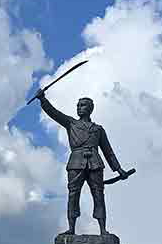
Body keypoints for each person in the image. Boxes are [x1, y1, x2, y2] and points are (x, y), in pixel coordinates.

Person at [35, 90, 130, 235]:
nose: (79, 108)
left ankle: (103, 230)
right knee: (73, 195)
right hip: (76, 163)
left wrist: (118, 169)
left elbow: (108, 151)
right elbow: (54, 113)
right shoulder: (71, 123)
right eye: (78, 105)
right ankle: (71, 229)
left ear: (90, 108)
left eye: (83, 105)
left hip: (95, 163)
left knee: (99, 196)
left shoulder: (98, 129)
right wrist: (43, 100)